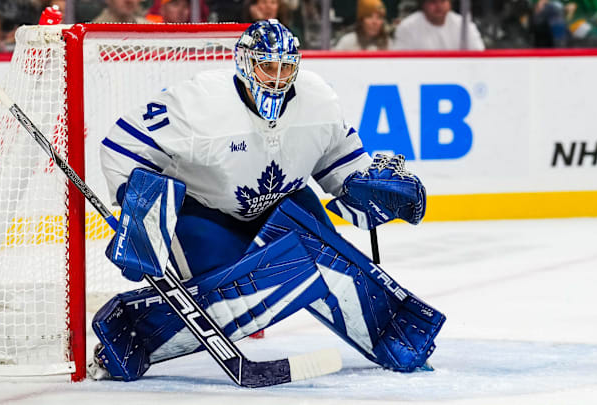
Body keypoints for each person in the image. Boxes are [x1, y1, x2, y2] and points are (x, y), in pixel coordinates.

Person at [91, 19, 445, 382]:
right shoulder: (197, 104)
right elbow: (123, 146)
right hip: (205, 212)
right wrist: (139, 214)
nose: (277, 78)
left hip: (282, 202)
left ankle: (393, 335)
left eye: (286, 67)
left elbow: (339, 161)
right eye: (267, 67)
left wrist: (362, 188)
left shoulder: (319, 99)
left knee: (328, 261)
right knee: (232, 296)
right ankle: (133, 336)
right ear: (246, 64)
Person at [392, 0, 485, 50]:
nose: (439, 6)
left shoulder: (464, 25)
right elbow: (400, 62)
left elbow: (479, 55)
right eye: (433, 2)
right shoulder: (407, 27)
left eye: (443, 1)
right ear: (423, 4)